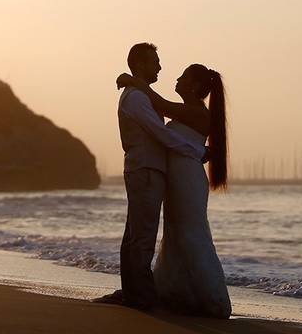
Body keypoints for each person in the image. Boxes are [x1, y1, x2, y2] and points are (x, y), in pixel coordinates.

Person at [116, 62, 232, 319]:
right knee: (175, 232)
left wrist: (134, 80)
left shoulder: (197, 113)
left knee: (192, 233)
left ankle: (212, 298)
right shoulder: (187, 111)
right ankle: (180, 293)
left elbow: (160, 105)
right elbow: (161, 110)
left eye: (183, 77)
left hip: (188, 179)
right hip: (177, 178)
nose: (176, 79)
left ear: (194, 86)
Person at [94, 43, 205, 310]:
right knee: (142, 234)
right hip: (145, 169)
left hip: (145, 168)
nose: (159, 67)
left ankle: (133, 292)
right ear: (140, 64)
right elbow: (160, 132)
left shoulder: (138, 94)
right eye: (154, 61)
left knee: (136, 232)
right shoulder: (136, 98)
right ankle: (140, 297)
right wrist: (196, 151)